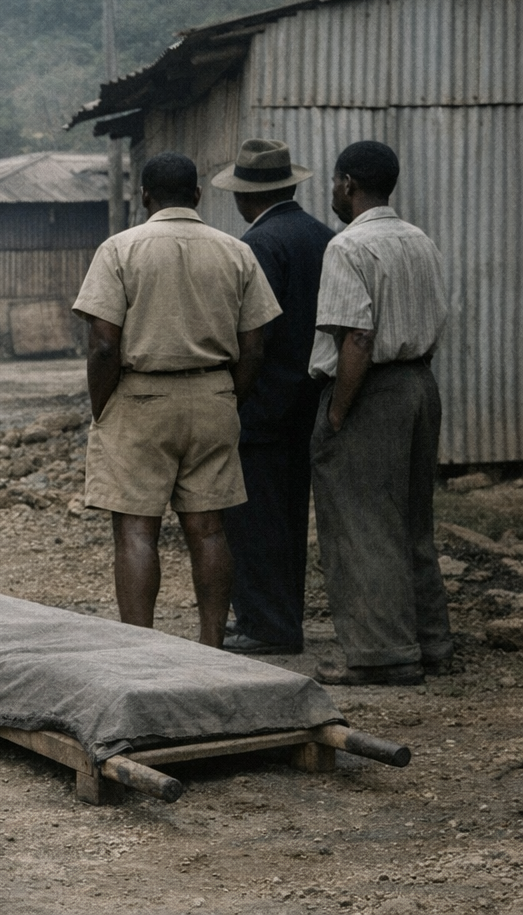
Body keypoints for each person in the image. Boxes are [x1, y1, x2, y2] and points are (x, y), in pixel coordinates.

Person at [73, 152, 280, 648]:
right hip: (213, 395)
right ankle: (211, 648)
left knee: (136, 531)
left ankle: (143, 651)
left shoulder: (120, 249)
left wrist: (102, 407)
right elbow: (255, 346)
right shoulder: (236, 251)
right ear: (197, 195)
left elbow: (104, 344)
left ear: (144, 196)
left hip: (141, 395)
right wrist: (229, 397)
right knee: (208, 530)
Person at [310, 141, 450, 686]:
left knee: (362, 524)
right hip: (419, 383)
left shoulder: (348, 246)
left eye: (334, 184)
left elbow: (359, 338)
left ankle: (384, 653)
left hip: (370, 388)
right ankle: (431, 643)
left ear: (347, 183)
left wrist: (340, 411)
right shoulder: (420, 240)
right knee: (414, 519)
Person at [209, 140, 335, 655]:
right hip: (310, 398)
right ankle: (285, 617)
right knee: (288, 516)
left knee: (254, 518)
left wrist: (234, 397)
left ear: (244, 197)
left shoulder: (258, 245)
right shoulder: (323, 236)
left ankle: (266, 625)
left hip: (262, 404)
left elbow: (253, 336)